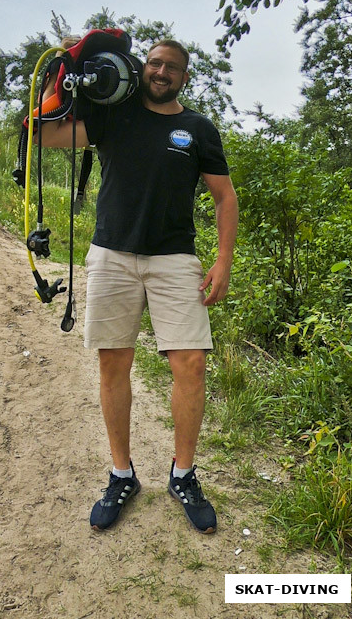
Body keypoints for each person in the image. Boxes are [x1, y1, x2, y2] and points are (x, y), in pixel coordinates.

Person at [38, 39, 238, 534]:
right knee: (114, 361)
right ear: (142, 68)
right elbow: (46, 136)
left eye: (171, 66)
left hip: (176, 258)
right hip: (112, 254)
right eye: (154, 62)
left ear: (184, 77)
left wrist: (223, 260)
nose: (161, 71)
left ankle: (184, 474)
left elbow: (223, 195)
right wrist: (66, 66)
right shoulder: (113, 114)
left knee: (191, 364)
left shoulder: (197, 128)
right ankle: (121, 474)